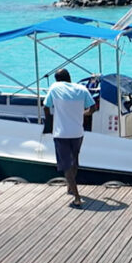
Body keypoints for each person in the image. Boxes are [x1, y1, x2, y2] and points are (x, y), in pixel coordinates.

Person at [43, 68, 98, 207]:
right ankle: (70, 187)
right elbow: (93, 108)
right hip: (78, 132)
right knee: (75, 160)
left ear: (57, 80)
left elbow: (46, 106)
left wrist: (50, 119)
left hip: (61, 133)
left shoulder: (55, 87)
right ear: (69, 77)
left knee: (66, 165)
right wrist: (82, 113)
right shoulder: (82, 89)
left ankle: (77, 197)